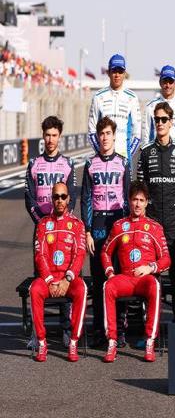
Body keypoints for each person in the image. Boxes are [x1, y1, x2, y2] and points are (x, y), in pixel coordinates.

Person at [101, 181, 171, 363]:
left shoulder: (155, 227)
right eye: (134, 200)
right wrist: (110, 272)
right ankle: (112, 341)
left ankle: (150, 341)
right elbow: (105, 252)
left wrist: (150, 268)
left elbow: (166, 259)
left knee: (155, 285)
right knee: (108, 286)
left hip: (145, 279)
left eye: (141, 200)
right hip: (125, 278)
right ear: (129, 201)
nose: (137, 204)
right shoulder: (119, 225)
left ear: (147, 202)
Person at [25, 115, 77, 348]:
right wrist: (43, 224)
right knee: (41, 279)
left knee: (63, 275)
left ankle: (66, 329)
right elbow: (29, 199)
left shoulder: (67, 164)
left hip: (63, 231)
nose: (50, 139)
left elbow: (71, 198)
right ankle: (38, 333)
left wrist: (58, 224)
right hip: (42, 230)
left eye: (54, 135)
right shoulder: (34, 164)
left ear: (59, 137)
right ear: (42, 136)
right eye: (47, 135)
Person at [137, 102, 175, 323]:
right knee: (152, 275)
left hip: (173, 222)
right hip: (152, 222)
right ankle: (152, 323)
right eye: (157, 119)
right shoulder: (145, 152)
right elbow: (140, 187)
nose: (160, 123)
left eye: (163, 119)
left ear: (171, 122)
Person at [81, 116, 130, 347]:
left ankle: (119, 329)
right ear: (98, 137)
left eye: (108, 133)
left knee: (119, 277)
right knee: (100, 279)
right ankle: (99, 329)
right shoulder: (90, 164)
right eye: (101, 134)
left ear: (114, 135)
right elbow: (86, 198)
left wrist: (128, 228)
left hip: (118, 223)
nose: (104, 137)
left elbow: (128, 198)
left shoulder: (123, 163)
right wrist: (87, 231)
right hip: (98, 225)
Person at [30, 182, 87, 362]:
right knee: (34, 289)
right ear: (51, 199)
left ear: (69, 199)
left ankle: (73, 341)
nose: (60, 200)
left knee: (82, 289)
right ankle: (41, 342)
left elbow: (80, 254)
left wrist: (67, 279)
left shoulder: (77, 224)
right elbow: (39, 255)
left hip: (68, 279)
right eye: (56, 197)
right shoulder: (43, 224)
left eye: (63, 196)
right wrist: (49, 280)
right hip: (49, 279)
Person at [88, 54, 142, 161]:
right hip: (103, 158)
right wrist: (101, 152)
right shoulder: (98, 97)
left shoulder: (132, 98)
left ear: (124, 74)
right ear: (108, 73)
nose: (117, 75)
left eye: (120, 71)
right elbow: (91, 131)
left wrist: (127, 156)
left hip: (124, 159)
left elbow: (137, 134)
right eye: (114, 71)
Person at [142, 65, 175, 150]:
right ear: (160, 83)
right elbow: (145, 138)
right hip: (155, 153)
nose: (168, 85)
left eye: (171, 81)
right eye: (165, 81)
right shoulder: (150, 106)